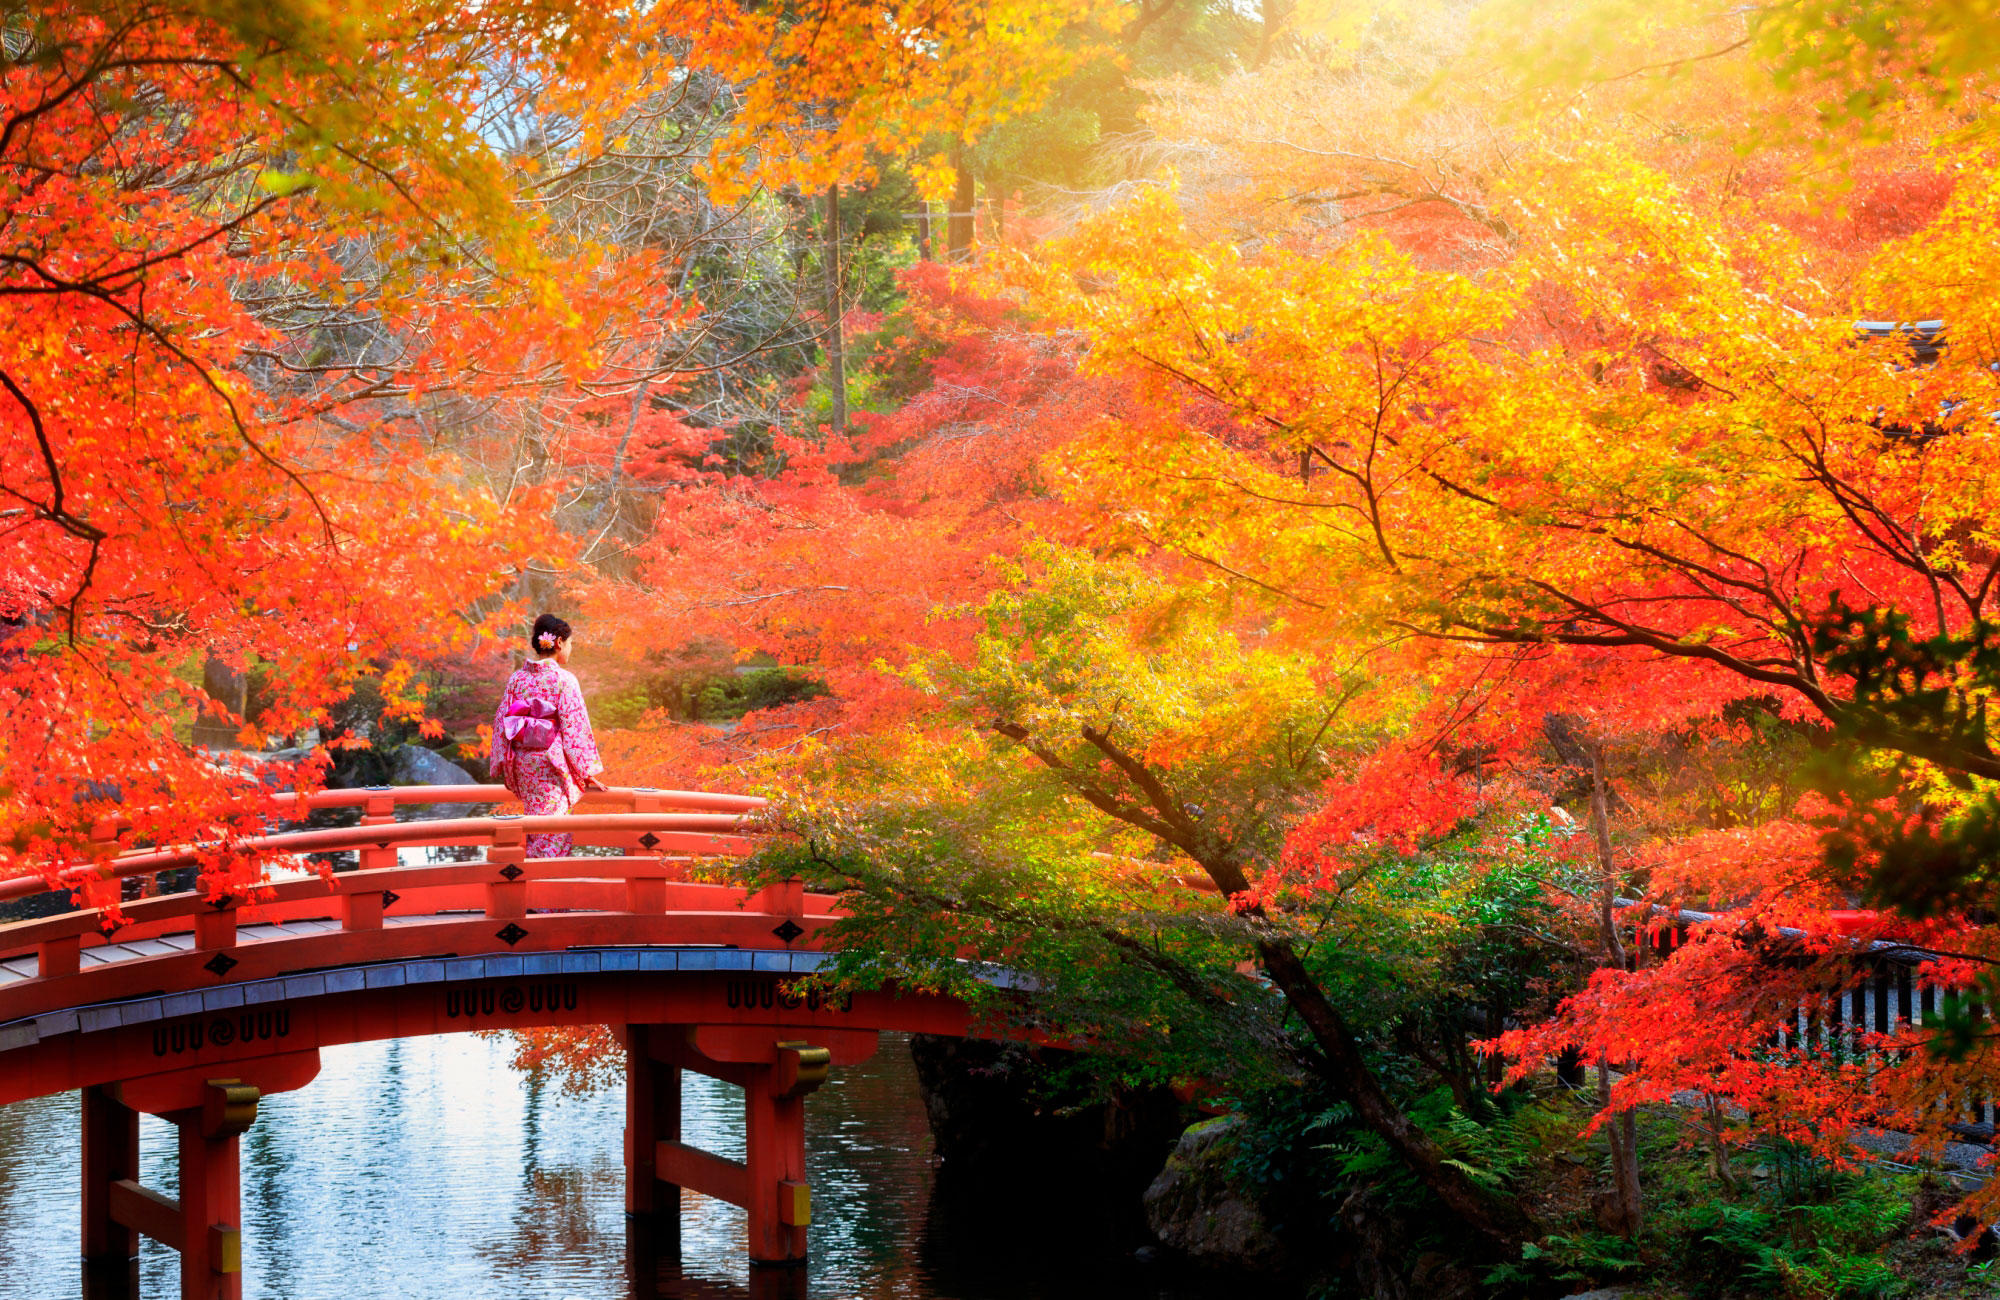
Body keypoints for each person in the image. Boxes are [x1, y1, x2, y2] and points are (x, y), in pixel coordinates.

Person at [490, 613, 606, 858]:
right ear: (560, 643)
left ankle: (539, 887)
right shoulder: (564, 680)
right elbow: (576, 728)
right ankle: (544, 890)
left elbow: (502, 723)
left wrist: (503, 763)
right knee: (553, 832)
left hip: (524, 764)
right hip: (551, 766)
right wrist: (586, 771)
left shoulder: (517, 679)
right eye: (571, 644)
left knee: (537, 828)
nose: (571, 650)